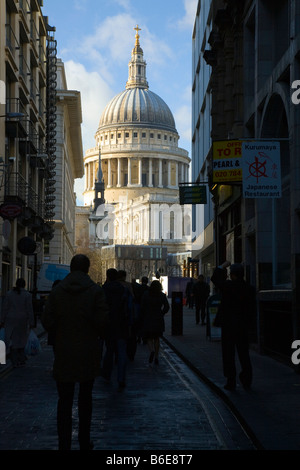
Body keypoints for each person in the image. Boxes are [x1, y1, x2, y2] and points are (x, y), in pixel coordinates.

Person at [42, 254, 108, 451]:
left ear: (71, 269)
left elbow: (46, 321)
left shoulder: (57, 292)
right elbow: (103, 322)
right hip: (88, 351)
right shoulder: (95, 292)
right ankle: (84, 440)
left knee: (64, 399)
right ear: (87, 269)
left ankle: (64, 443)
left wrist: (60, 330)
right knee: (85, 399)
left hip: (63, 351)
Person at [211, 261, 256, 391]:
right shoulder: (250, 289)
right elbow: (252, 309)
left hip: (229, 325)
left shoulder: (228, 286)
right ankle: (247, 379)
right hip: (243, 326)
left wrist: (221, 266)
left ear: (233, 275)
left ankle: (231, 380)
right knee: (244, 353)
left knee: (228, 354)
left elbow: (215, 279)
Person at [101, 268, 131, 391]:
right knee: (122, 353)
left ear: (107, 276)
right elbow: (129, 309)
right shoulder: (124, 290)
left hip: (108, 325)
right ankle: (121, 378)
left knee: (109, 351)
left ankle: (107, 375)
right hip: (122, 325)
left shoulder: (103, 290)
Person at [0, 278, 35, 368]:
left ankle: (14, 360)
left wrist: (2, 320)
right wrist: (32, 322)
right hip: (22, 320)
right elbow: (29, 310)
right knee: (21, 340)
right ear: (24, 285)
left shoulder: (9, 294)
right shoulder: (27, 295)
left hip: (10, 319)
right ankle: (21, 359)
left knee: (12, 340)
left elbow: (5, 308)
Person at [140, 280, 170, 365]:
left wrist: (143, 315)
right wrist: (162, 313)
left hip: (148, 317)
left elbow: (142, 306)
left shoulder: (146, 294)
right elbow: (167, 306)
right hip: (158, 318)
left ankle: (151, 350)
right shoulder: (162, 295)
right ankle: (156, 356)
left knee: (149, 337)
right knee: (157, 338)